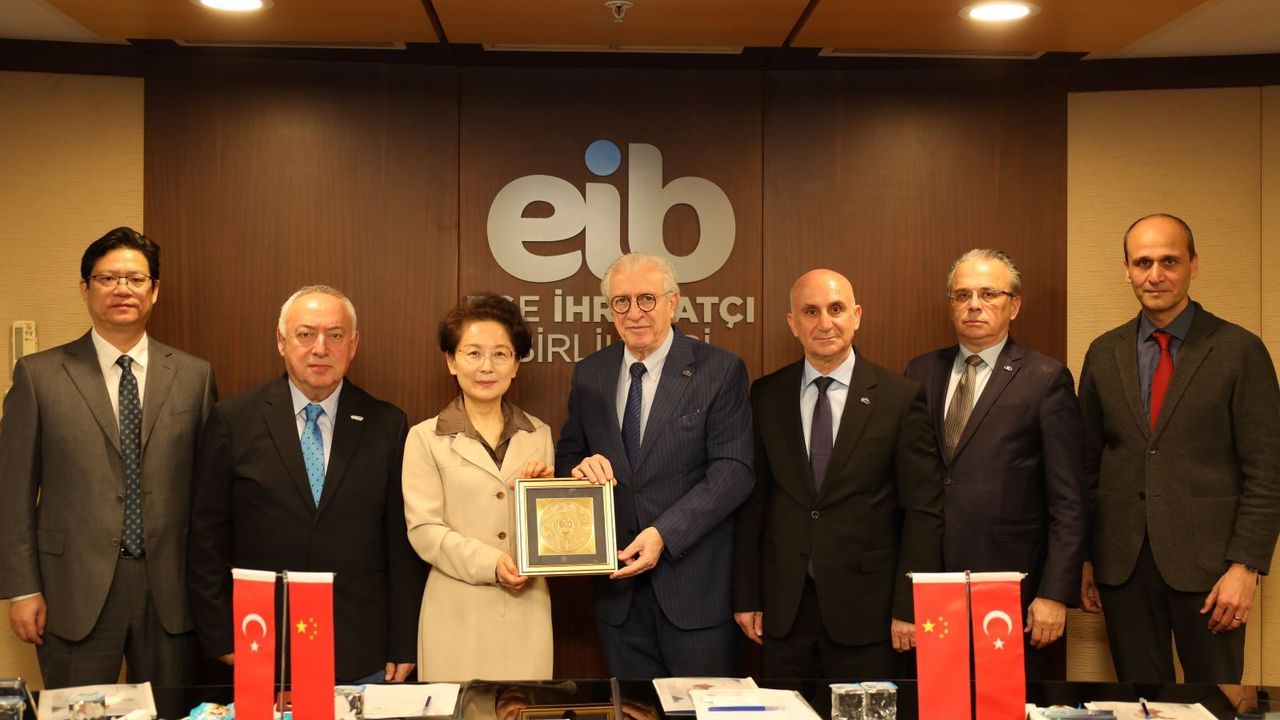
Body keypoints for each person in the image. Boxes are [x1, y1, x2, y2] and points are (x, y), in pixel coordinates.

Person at [0, 227, 216, 688]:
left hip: (171, 592)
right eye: (108, 278)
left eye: (136, 279)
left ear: (154, 291)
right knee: (76, 714)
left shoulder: (195, 376)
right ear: (85, 289)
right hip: (70, 589)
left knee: (171, 712)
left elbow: (209, 496)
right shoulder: (39, 376)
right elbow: (12, 492)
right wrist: (22, 588)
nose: (123, 289)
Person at [1078, 213, 1280, 683]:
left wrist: (1246, 567)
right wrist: (1084, 557)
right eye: (1143, 262)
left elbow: (1268, 470)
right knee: (1139, 706)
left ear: (1193, 264)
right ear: (1126, 269)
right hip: (1122, 567)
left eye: (1169, 261)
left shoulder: (1239, 350)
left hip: (1213, 572)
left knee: (1216, 704)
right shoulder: (1103, 353)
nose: (1155, 275)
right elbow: (1086, 466)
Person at [187, 284, 424, 683]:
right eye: (305, 334)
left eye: (335, 335)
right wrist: (219, 633)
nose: (320, 348)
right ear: (281, 341)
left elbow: (400, 544)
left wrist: (403, 640)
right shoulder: (234, 419)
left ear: (353, 345)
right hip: (260, 640)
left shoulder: (387, 424)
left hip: (360, 645)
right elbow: (206, 536)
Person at [733, 268, 944, 678]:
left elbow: (923, 510)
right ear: (793, 323)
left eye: (836, 309)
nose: (824, 323)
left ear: (856, 315)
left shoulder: (899, 398)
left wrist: (910, 604)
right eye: (810, 311)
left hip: (869, 612)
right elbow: (754, 502)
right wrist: (748, 595)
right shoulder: (766, 394)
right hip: (784, 610)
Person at [555, 252, 754, 678]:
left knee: (700, 709)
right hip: (618, 597)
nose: (634, 312)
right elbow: (569, 456)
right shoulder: (590, 374)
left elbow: (733, 471)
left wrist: (664, 533)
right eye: (621, 301)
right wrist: (580, 468)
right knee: (630, 707)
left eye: (647, 298)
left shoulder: (720, 370)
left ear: (673, 301)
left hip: (694, 593)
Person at [904, 249, 1088, 680]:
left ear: (1014, 305)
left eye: (989, 294)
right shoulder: (919, 372)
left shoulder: (1045, 378)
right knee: (936, 699)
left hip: (1011, 588)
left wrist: (1054, 593)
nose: (974, 305)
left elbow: (1069, 499)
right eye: (962, 295)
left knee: (1003, 700)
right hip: (932, 585)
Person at [402, 293, 554, 681]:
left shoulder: (539, 434)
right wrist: (491, 564)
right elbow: (425, 531)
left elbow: (549, 535)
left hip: (527, 609)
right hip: (456, 612)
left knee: (526, 706)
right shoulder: (424, 438)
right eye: (473, 353)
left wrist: (550, 502)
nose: (487, 367)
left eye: (500, 354)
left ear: (516, 365)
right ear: (451, 361)